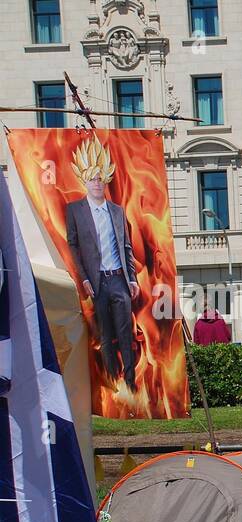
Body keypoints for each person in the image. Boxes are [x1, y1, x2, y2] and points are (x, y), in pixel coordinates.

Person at [64, 136, 140, 391]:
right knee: (106, 335)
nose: (96, 183)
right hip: (97, 282)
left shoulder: (117, 211)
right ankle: (112, 381)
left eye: (100, 178)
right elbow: (72, 245)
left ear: (105, 180)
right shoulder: (75, 210)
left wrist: (132, 278)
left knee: (125, 332)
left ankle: (130, 381)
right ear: (84, 181)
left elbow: (126, 246)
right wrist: (83, 278)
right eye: (92, 178)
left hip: (118, 278)